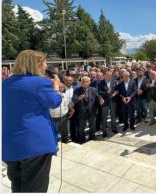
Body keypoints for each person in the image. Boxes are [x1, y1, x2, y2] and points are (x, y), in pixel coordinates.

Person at [3, 50, 62, 192]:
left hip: (11, 144)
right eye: (45, 62)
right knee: (35, 188)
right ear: (37, 64)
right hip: (35, 144)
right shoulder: (40, 83)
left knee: (17, 185)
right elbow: (54, 102)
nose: (46, 65)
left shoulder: (5, 84)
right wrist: (56, 88)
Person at [72, 76, 104, 143]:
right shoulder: (77, 90)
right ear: (81, 83)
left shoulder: (93, 89)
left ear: (89, 82)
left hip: (92, 111)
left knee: (92, 125)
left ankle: (92, 137)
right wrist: (78, 98)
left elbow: (98, 96)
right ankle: (81, 138)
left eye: (87, 81)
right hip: (82, 112)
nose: (85, 83)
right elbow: (74, 100)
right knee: (81, 126)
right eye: (83, 81)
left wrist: (101, 99)